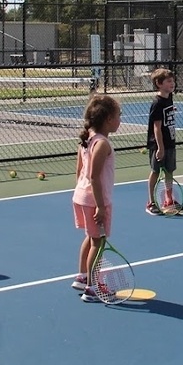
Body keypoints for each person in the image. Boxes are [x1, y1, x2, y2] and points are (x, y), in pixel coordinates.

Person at [72, 94, 122, 302]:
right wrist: (100, 207)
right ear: (108, 119)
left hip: (82, 196)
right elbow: (93, 176)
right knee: (98, 243)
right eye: (119, 116)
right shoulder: (102, 144)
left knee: (91, 238)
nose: (120, 120)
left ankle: (82, 276)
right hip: (96, 201)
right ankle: (93, 287)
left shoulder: (87, 140)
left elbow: (79, 172)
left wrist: (83, 194)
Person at [145, 67, 183, 214]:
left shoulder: (169, 99)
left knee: (169, 171)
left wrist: (171, 110)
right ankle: (151, 202)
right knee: (155, 171)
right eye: (168, 81)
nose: (172, 83)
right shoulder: (157, 103)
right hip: (158, 145)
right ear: (159, 83)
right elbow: (156, 128)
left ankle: (169, 200)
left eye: (173, 80)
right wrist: (160, 148)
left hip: (170, 142)